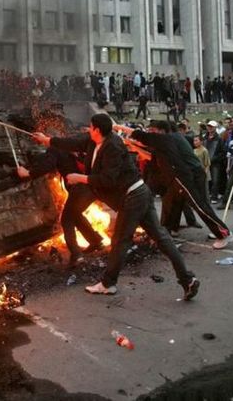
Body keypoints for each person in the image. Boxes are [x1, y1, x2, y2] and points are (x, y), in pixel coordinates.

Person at [33, 114, 199, 299]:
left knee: (121, 241)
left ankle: (108, 283)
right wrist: (47, 140)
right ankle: (188, 280)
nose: (88, 130)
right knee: (160, 237)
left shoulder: (113, 146)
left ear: (97, 130)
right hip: (138, 194)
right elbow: (72, 143)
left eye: (90, 127)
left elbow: (107, 179)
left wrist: (79, 178)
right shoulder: (93, 141)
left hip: (133, 196)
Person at [119, 121, 233, 249]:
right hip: (182, 176)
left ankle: (223, 234)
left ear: (162, 131)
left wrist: (116, 127)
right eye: (150, 130)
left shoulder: (168, 139)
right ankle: (166, 231)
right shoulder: (170, 139)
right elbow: (150, 153)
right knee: (170, 201)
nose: (151, 133)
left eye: (153, 130)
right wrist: (131, 144)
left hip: (187, 176)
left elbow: (141, 136)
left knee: (199, 205)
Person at [16, 148, 104, 265]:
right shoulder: (73, 145)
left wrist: (27, 173)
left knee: (66, 219)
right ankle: (95, 241)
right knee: (75, 215)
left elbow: (46, 165)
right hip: (93, 186)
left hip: (80, 189)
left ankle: (76, 255)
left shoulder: (55, 149)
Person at [204, 121, 226, 203]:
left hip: (215, 163)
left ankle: (214, 197)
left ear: (215, 127)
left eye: (211, 126)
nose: (209, 128)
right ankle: (207, 195)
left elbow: (223, 152)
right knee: (206, 180)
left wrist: (214, 159)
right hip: (205, 162)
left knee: (215, 180)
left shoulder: (219, 139)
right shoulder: (204, 137)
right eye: (208, 126)